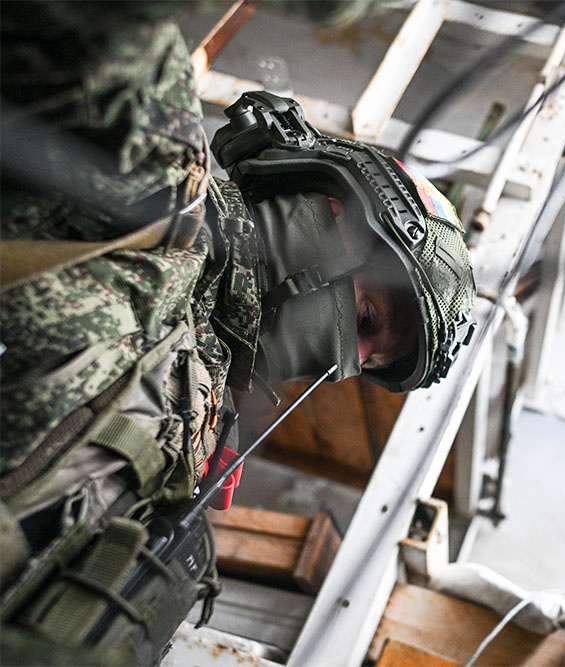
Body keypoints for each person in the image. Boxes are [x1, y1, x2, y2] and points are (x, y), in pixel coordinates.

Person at [0, 2, 475, 663]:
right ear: (335, 210)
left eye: (369, 364)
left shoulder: (205, 419)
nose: (347, 363)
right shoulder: (156, 187)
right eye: (368, 320)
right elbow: (80, 29)